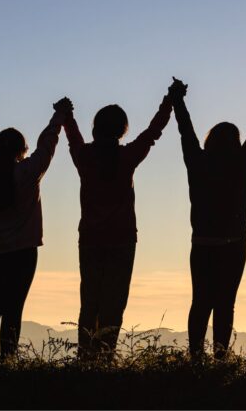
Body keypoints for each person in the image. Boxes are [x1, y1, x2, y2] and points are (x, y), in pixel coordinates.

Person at [170, 78, 246, 359]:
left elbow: (186, 131)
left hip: (203, 243)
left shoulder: (198, 161)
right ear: (236, 142)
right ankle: (220, 358)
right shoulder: (241, 162)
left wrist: (178, 100)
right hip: (233, 244)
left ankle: (195, 357)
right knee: (224, 304)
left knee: (200, 303)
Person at [63, 86, 173, 355]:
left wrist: (66, 115)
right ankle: (106, 354)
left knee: (90, 301)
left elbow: (73, 138)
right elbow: (152, 134)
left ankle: (86, 356)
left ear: (96, 128)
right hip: (123, 239)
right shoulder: (127, 157)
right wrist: (168, 103)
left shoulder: (85, 157)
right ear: (122, 130)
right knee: (114, 303)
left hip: (90, 238)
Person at [0, 92, 72, 360]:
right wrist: (59, 116)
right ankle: (9, 361)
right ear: (21, 150)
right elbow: (47, 144)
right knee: (13, 310)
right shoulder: (28, 173)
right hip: (23, 253)